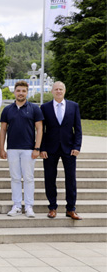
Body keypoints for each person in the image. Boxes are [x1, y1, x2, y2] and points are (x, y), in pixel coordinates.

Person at [0, 80, 43, 218]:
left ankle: (29, 206)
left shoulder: (35, 108)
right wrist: (1, 148)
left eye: (23, 91)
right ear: (14, 91)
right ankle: (17, 205)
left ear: (27, 92)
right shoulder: (7, 110)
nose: (21, 93)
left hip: (29, 149)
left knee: (29, 178)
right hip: (12, 149)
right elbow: (3, 130)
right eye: (18, 90)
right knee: (15, 178)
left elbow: (40, 129)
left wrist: (37, 147)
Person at [40, 81, 83, 220]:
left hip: (69, 149)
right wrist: (42, 148)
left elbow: (78, 129)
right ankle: (52, 207)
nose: (58, 91)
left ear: (64, 91)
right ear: (52, 91)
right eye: (56, 89)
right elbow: (42, 130)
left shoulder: (73, 106)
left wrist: (77, 147)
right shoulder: (45, 107)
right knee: (49, 178)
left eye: (61, 89)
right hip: (50, 149)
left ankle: (71, 209)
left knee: (71, 179)